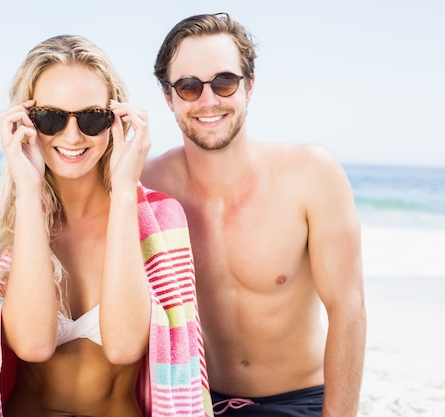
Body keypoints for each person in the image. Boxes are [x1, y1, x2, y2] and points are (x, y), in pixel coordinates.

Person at [0, 35, 213, 417]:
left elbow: (124, 346)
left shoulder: (159, 217)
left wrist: (124, 192)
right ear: (25, 120)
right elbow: (33, 345)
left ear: (116, 120)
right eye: (51, 118)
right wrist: (27, 192)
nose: (72, 137)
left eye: (91, 118)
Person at [141, 13, 366, 417]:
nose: (208, 101)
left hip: (301, 401)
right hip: (193, 402)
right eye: (189, 87)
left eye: (224, 82)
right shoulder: (147, 186)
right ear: (169, 98)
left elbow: (348, 309)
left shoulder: (312, 174)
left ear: (249, 87)